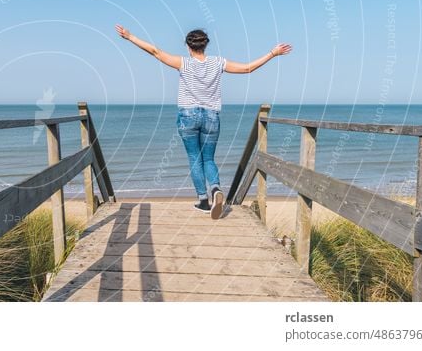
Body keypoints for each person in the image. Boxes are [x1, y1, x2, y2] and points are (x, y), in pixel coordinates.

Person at [115, 25, 291, 219]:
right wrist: (272, 53)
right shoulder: (218, 63)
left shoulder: (183, 63)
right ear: (205, 45)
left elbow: (155, 51)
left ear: (189, 47)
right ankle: (215, 189)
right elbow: (248, 68)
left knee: (194, 158)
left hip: (188, 115)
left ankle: (204, 201)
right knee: (208, 158)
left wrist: (130, 36)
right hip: (211, 116)